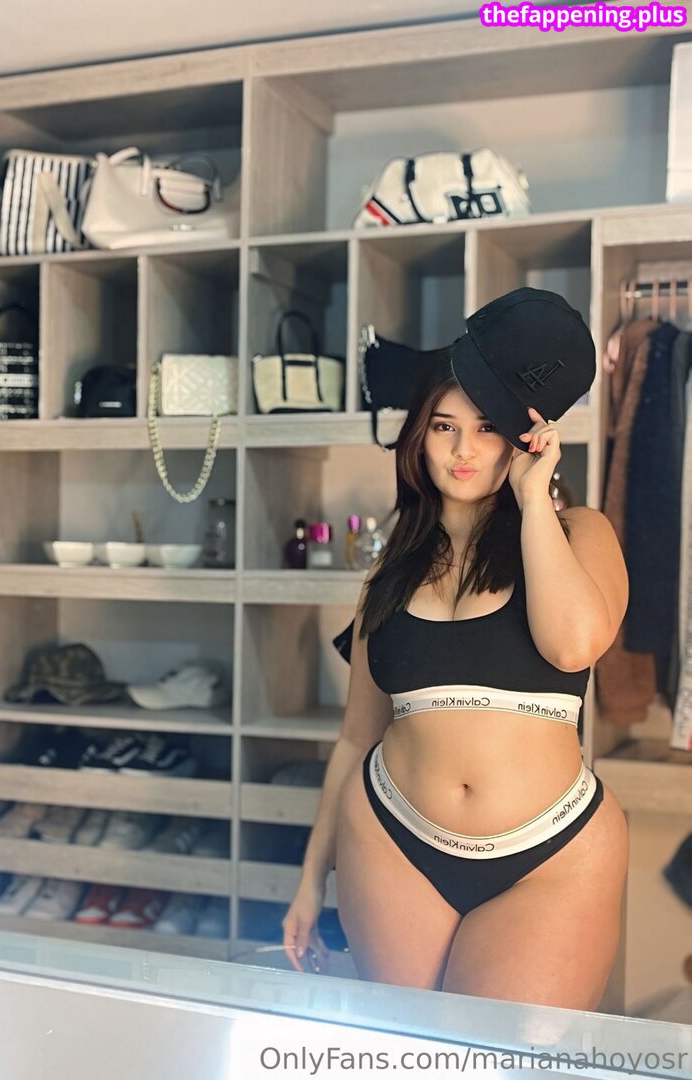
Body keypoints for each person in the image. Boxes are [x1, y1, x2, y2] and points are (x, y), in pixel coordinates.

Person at [282, 288, 630, 1010]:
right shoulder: (390, 569)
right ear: (419, 435)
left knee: (508, 1058)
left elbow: (574, 646)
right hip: (391, 839)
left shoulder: (579, 532)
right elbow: (355, 737)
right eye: (444, 426)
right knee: (411, 1052)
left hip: (549, 855)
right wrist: (310, 881)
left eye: (486, 428)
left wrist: (534, 500)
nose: (463, 449)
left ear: (522, 439)